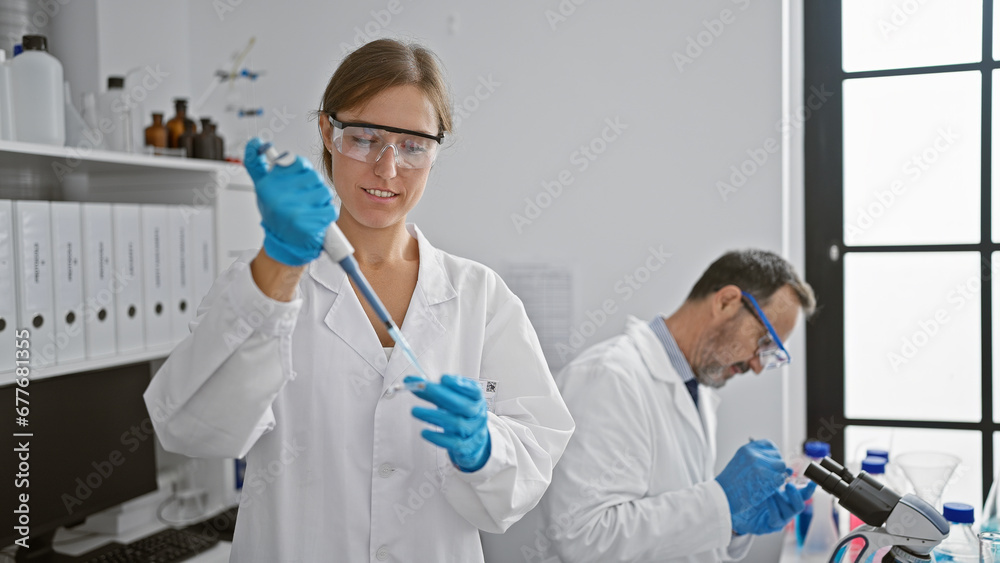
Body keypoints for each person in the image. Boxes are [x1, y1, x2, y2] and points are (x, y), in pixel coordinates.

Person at [143, 39, 574, 562]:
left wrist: (486, 449)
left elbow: (534, 455)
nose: (387, 169)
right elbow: (188, 428)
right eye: (366, 138)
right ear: (328, 132)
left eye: (413, 146)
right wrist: (279, 266)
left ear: (436, 151)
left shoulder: (481, 298)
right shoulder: (264, 281)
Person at [535, 249, 818, 563]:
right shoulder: (607, 376)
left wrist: (733, 523)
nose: (758, 366)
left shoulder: (695, 389)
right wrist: (721, 500)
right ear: (726, 302)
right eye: (764, 343)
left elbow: (682, 531)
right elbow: (583, 539)